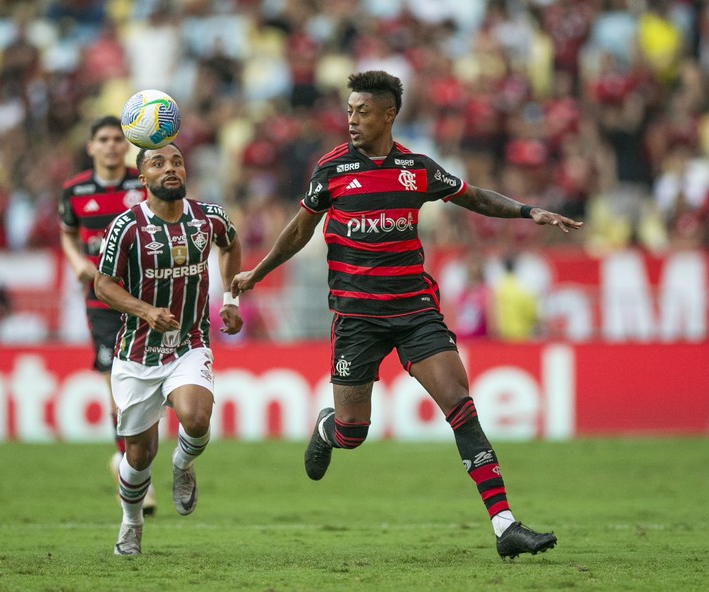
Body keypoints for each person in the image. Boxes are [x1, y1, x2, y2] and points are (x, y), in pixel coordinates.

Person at [231, 70, 583, 560]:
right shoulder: (331, 169)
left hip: (415, 310)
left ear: (388, 115)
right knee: (354, 432)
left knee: (460, 404)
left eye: (362, 111)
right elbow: (299, 230)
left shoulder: (416, 168)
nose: (352, 119)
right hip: (356, 318)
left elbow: (474, 197)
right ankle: (328, 429)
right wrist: (259, 272)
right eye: (349, 110)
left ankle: (505, 526)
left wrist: (529, 212)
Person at [94, 143, 243, 556]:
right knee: (139, 456)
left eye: (176, 161)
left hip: (189, 343)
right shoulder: (126, 227)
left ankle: (182, 465)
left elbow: (231, 244)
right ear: (143, 178)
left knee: (195, 418)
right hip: (138, 352)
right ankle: (131, 521)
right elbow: (102, 285)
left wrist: (230, 300)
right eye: (158, 163)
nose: (170, 168)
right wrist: (146, 311)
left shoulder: (208, 218)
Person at [59, 115, 156, 515]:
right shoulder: (75, 191)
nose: (112, 145)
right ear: (91, 147)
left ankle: (128, 462)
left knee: (147, 394)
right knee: (118, 391)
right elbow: (66, 231)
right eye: (104, 139)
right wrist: (76, 261)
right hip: (101, 304)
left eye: (119, 139)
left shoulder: (143, 185)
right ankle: (136, 477)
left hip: (143, 302)